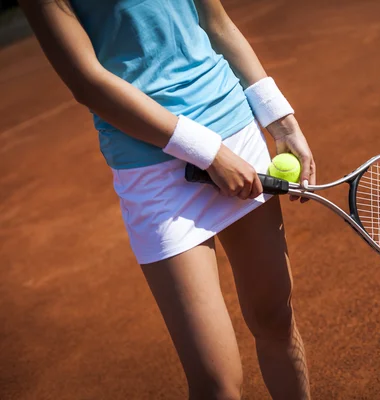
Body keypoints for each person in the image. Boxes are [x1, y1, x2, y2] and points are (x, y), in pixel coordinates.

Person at [19, 0, 316, 399]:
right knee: (216, 383)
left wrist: (281, 120)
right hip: (154, 169)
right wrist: (208, 153)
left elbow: (216, 23)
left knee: (276, 319)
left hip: (236, 133)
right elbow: (86, 81)